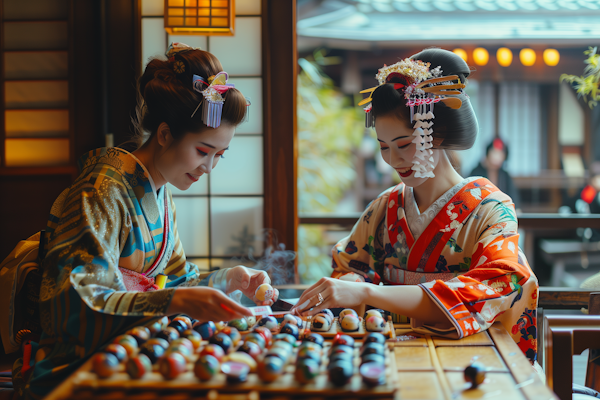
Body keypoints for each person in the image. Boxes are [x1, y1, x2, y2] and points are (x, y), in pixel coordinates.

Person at [18, 43, 278, 399]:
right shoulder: (102, 190)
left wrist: (227, 280)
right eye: (203, 151)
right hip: (78, 373)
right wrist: (173, 303)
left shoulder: (159, 191)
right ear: (165, 134)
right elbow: (76, 307)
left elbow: (178, 283)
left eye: (220, 155)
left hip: (131, 359)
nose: (209, 167)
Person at [292, 48, 539, 364]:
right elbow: (351, 267)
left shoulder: (492, 209)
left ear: (438, 133)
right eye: (384, 147)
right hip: (393, 355)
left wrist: (370, 294)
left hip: (474, 360)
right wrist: (353, 286)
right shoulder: (385, 208)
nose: (394, 160)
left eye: (405, 144)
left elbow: (499, 280)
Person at [469, 138, 521, 211]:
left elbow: (513, 197)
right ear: (488, 154)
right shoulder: (476, 172)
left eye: (500, 154)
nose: (497, 157)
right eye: (494, 153)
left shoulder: (505, 175)